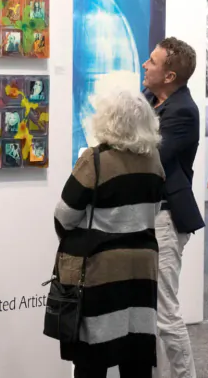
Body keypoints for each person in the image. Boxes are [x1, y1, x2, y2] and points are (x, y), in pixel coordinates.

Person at [53, 89, 165, 378]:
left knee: (93, 355)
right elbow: (154, 210)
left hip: (102, 270)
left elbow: (64, 216)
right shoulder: (154, 160)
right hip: (143, 267)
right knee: (137, 352)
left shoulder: (95, 160)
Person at [142, 37, 203, 378]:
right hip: (146, 216)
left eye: (152, 61)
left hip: (166, 218)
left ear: (169, 76)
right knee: (149, 313)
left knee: (166, 314)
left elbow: (152, 157)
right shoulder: (151, 102)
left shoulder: (182, 111)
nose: (145, 65)